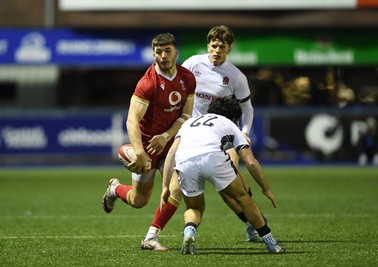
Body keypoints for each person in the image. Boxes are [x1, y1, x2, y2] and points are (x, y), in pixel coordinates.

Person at [140, 25, 265, 250]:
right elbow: (176, 89)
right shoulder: (193, 64)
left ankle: (251, 224)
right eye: (214, 45)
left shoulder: (236, 76)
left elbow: (247, 109)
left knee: (233, 191)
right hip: (192, 134)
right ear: (208, 45)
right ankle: (152, 234)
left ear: (229, 49)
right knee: (175, 187)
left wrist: (244, 130)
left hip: (222, 138)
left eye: (222, 47)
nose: (217, 50)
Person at [101, 33, 196, 251]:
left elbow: (186, 115)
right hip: (148, 147)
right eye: (159, 52)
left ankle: (151, 237)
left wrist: (166, 136)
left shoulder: (187, 78)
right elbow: (132, 120)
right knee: (139, 200)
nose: (163, 56)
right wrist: (140, 152)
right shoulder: (147, 83)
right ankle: (115, 189)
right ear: (153, 54)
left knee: (177, 186)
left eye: (168, 51)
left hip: (171, 143)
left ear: (176, 52)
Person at [160, 96, 286, 254]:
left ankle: (190, 231)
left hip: (185, 162)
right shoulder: (229, 124)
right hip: (212, 158)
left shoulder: (189, 123)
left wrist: (165, 186)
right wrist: (265, 189)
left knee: (194, 207)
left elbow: (172, 152)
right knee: (243, 197)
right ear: (234, 118)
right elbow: (250, 161)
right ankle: (271, 243)